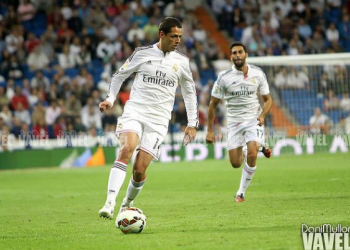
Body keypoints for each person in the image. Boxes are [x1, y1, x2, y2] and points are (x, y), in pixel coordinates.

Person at [98, 17, 199, 223]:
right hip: (135, 112)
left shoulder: (182, 62)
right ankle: (109, 203)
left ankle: (126, 205)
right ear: (162, 35)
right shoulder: (142, 54)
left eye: (180, 36)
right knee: (126, 149)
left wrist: (192, 123)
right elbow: (119, 75)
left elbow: (189, 92)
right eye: (174, 36)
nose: (178, 40)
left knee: (139, 170)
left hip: (159, 121)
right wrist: (110, 98)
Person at [205, 42, 272, 203]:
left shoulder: (258, 73)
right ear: (231, 57)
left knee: (251, 154)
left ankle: (241, 193)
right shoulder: (224, 77)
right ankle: (260, 145)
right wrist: (209, 130)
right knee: (235, 163)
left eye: (240, 52)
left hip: (253, 120)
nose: (237, 55)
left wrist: (262, 115)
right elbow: (212, 104)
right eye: (234, 53)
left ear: (246, 54)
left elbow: (268, 99)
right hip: (234, 123)